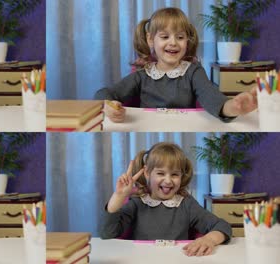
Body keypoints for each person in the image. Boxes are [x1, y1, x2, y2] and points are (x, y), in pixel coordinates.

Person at [94, 7, 257, 123]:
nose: (173, 43)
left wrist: (233, 107)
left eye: (180, 37)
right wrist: (109, 106)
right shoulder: (142, 75)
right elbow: (104, 93)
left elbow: (210, 96)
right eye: (165, 37)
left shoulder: (194, 72)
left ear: (187, 41)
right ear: (151, 40)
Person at [100, 142, 232, 257]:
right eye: (160, 173)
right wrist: (118, 196)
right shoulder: (137, 202)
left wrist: (209, 239)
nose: (168, 180)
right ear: (147, 173)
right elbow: (108, 233)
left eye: (174, 174)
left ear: (181, 175)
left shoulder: (186, 203)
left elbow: (223, 226)